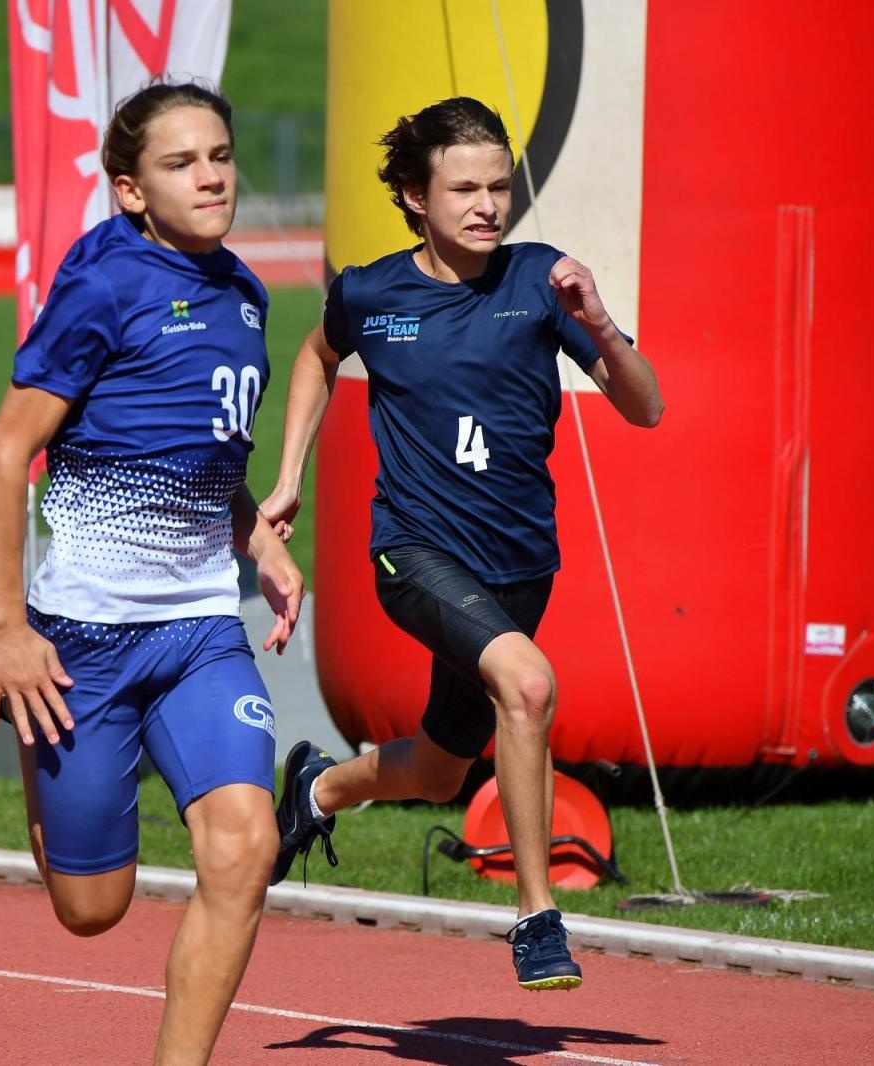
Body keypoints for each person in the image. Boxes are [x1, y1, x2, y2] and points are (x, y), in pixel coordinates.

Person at [0, 80, 303, 1064]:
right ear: (131, 189)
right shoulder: (100, 287)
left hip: (196, 632)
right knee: (91, 909)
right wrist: (9, 631)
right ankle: (7, 697)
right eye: (182, 162)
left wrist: (255, 539)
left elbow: (202, 449)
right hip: (80, 639)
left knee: (246, 844)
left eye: (220, 154)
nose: (212, 175)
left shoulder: (245, 293)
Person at [259, 96, 664, 991]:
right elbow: (318, 356)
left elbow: (647, 408)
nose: (487, 205)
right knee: (528, 684)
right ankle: (538, 919)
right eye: (464, 188)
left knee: (442, 770)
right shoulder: (372, 292)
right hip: (415, 553)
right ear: (413, 194)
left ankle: (315, 792)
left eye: (499, 187)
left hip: (520, 567)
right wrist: (288, 477)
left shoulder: (541, 283)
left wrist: (597, 319)